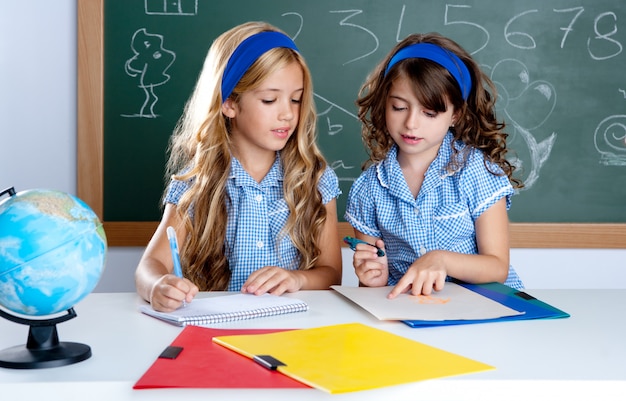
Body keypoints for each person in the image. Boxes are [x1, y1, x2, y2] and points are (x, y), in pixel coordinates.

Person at [136, 22, 342, 312]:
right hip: (217, 334)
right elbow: (150, 265)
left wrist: (298, 279)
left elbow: (331, 273)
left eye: (296, 99)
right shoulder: (196, 183)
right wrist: (158, 285)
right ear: (230, 103)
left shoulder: (315, 180)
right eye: (270, 99)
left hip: (295, 333)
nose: (287, 114)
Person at [345, 32, 524, 299]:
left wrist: (441, 260)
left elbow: (497, 267)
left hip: (485, 306)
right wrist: (372, 279)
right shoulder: (369, 189)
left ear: (456, 114)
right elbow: (372, 288)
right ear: (384, 105)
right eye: (398, 107)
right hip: (411, 311)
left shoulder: (477, 171)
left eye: (429, 113)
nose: (411, 124)